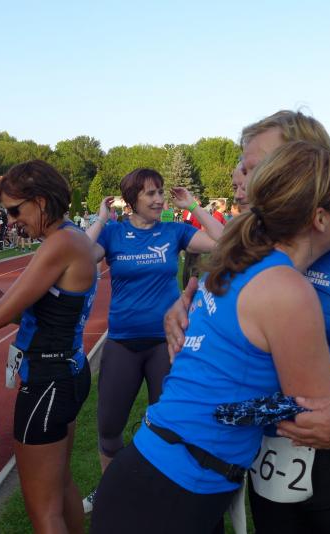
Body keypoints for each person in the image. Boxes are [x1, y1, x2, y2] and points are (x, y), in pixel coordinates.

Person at [93, 141, 330, 534]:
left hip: (156, 470)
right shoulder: (286, 287)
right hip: (174, 491)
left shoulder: (244, 260)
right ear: (320, 218)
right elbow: (315, 414)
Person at [0, 160, 95, 533]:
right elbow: (50, 314)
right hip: (67, 371)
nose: (11, 221)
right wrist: (9, 302)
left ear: (41, 201)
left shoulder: (59, 243)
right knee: (60, 484)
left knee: (43, 509)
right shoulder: (72, 237)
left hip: (47, 380)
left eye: (15, 211)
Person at [83, 168, 216, 511]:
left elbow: (225, 241)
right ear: (132, 200)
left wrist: (194, 207)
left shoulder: (175, 231)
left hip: (165, 345)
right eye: (150, 194)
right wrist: (101, 219)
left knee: (169, 427)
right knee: (109, 427)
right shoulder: (113, 233)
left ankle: (164, 494)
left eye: (160, 192)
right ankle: (110, 493)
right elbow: (79, 256)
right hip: (123, 343)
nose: (158, 200)